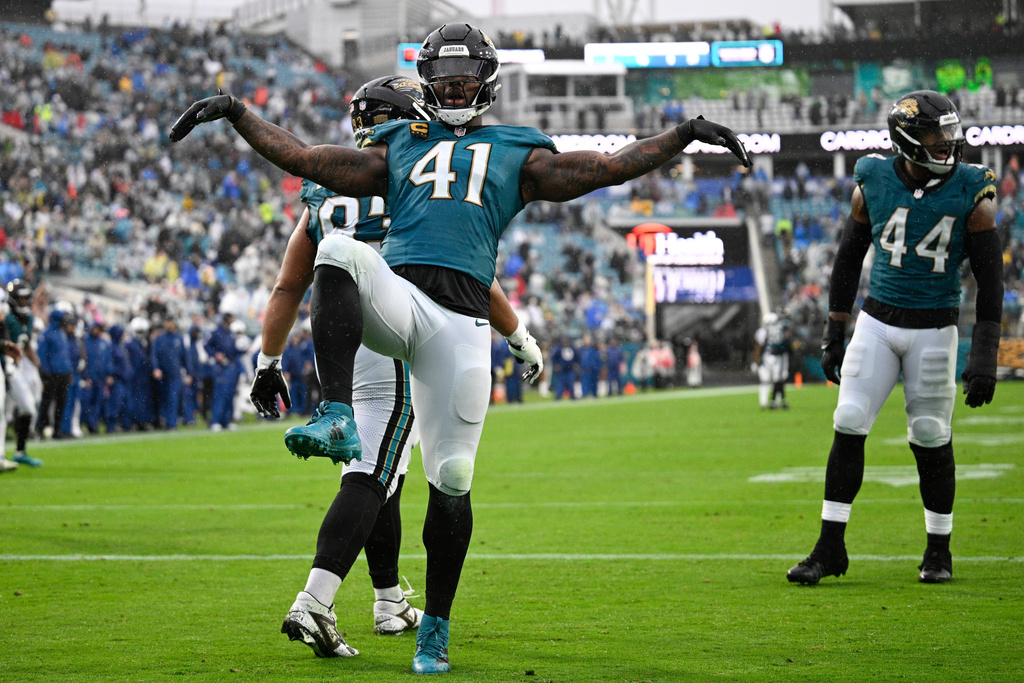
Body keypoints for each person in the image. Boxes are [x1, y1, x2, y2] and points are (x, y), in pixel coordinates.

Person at [170, 21, 748, 674]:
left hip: (460, 326)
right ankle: (335, 414)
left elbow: (606, 168)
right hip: (403, 303)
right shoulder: (399, 145)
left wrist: (681, 134)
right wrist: (239, 112)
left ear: (485, 85)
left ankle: (433, 626)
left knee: (451, 478)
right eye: (442, 80)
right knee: (338, 252)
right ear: (425, 85)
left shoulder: (514, 148)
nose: (452, 90)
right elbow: (306, 158)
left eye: (463, 80)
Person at [246, 74, 543, 660]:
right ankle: (315, 601)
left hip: (341, 336)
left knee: (384, 466)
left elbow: (287, 287)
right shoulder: (419, 171)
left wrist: (268, 360)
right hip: (403, 328)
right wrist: (519, 335)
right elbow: (470, 277)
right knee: (374, 471)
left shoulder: (326, 187)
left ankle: (387, 601)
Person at [786, 90, 1004, 587]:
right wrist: (834, 329)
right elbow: (849, 256)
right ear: (906, 139)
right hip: (878, 323)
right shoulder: (874, 178)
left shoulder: (972, 188)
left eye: (949, 131)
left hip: (935, 327)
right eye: (934, 133)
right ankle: (829, 546)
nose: (946, 142)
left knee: (930, 433)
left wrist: (985, 352)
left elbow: (991, 280)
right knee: (848, 418)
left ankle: (938, 550)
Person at [753, 312, 792, 410]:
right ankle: (771, 401)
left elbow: (758, 348)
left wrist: (755, 361)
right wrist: (755, 360)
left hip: (770, 358)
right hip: (772, 358)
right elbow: (759, 347)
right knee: (774, 380)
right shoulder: (776, 329)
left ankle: (771, 402)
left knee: (772, 380)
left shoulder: (765, 331)